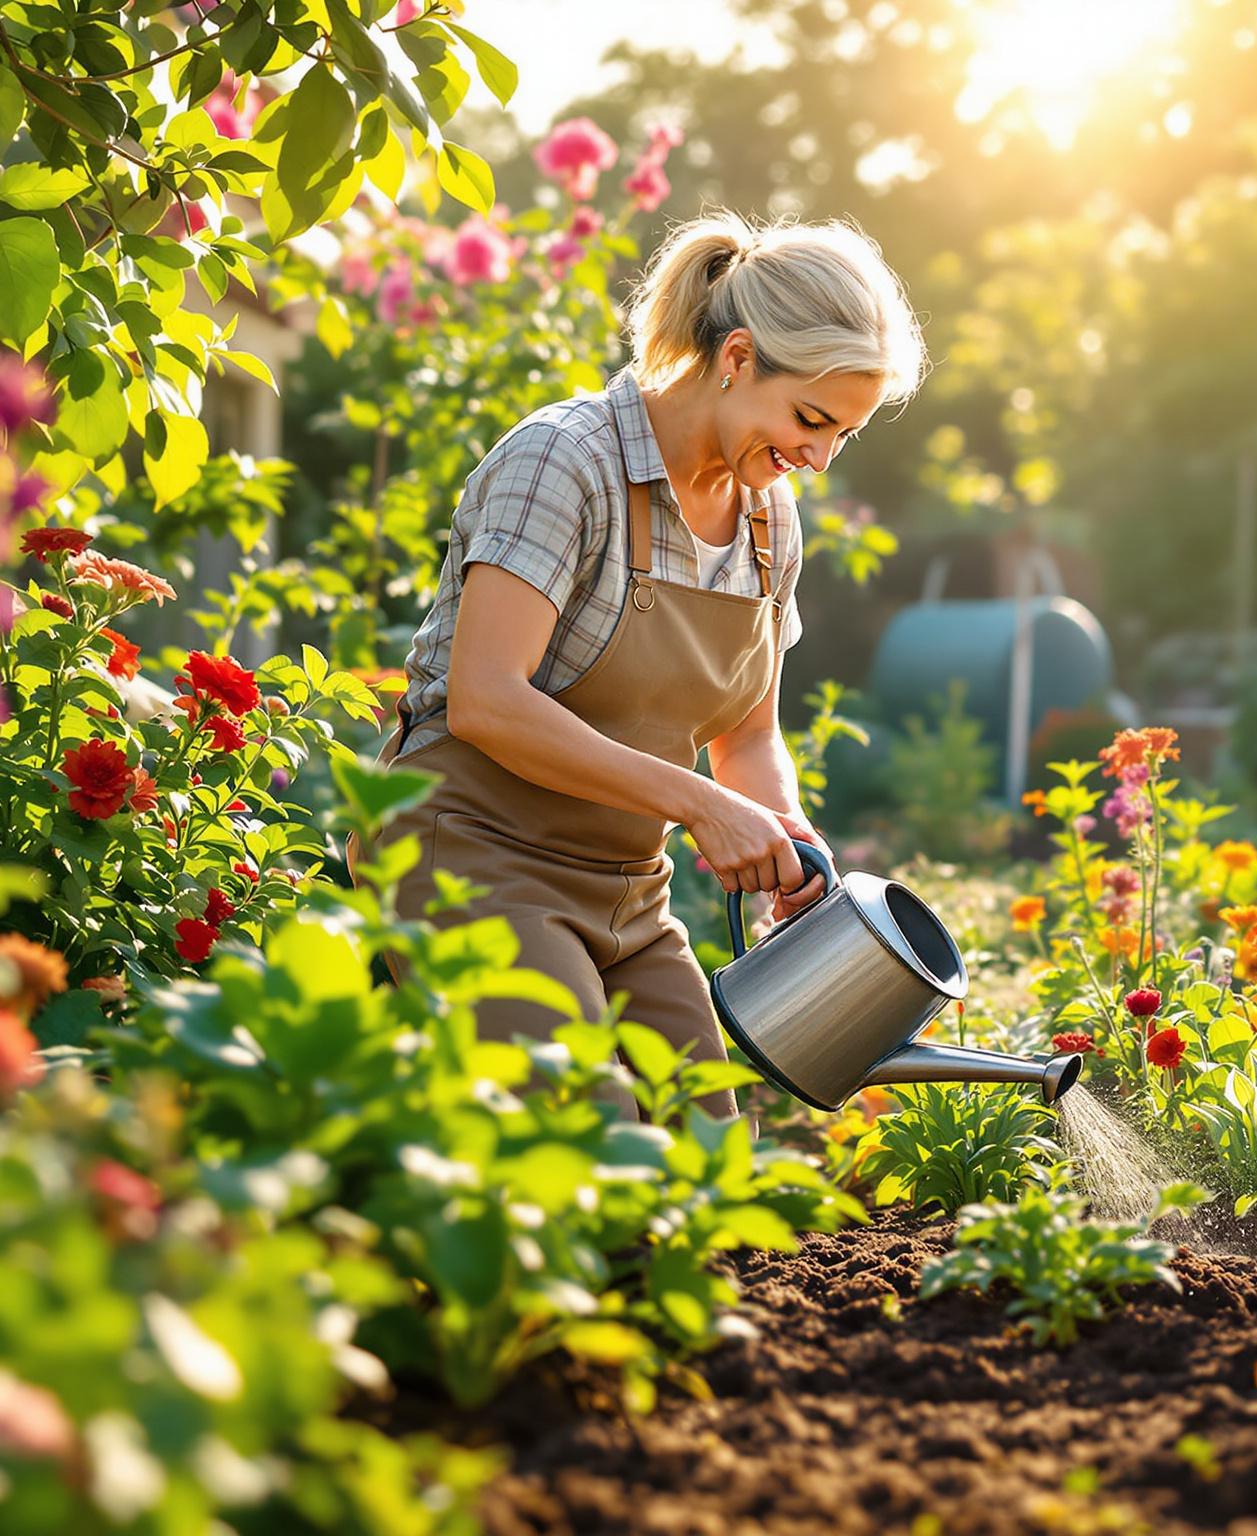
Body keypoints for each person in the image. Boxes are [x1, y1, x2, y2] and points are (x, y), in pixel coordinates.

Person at [366, 209, 926, 1122]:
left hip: (627, 884)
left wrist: (782, 830)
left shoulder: (766, 516)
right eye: (810, 419)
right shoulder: (566, 461)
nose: (817, 459)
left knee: (711, 1163)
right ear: (737, 358)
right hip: (471, 851)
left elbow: (748, 737)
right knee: (587, 1136)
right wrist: (703, 805)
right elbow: (485, 701)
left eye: (843, 436)